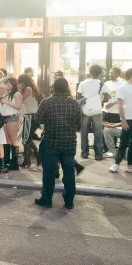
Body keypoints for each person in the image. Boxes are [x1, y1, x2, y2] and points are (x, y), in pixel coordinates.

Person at [34, 78, 81, 209]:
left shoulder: (47, 102)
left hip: (50, 141)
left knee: (48, 173)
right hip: (69, 142)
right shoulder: (75, 103)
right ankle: (69, 200)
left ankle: (47, 198)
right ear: (67, 88)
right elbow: (79, 125)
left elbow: (38, 118)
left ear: (53, 88)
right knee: (69, 172)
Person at [109, 68, 132, 175]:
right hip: (129, 119)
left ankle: (130, 166)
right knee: (124, 142)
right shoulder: (123, 88)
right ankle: (116, 164)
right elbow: (120, 105)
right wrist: (123, 120)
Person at [77, 65, 104, 160]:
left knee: (84, 132)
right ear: (100, 73)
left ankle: (84, 153)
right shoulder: (102, 83)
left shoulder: (83, 83)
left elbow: (79, 96)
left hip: (86, 109)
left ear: (90, 72)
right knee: (98, 133)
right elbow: (106, 97)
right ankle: (98, 154)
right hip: (97, 109)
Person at [0, 77, 23, 171]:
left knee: (13, 140)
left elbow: (18, 107)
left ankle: (14, 163)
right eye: (6, 83)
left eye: (10, 83)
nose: (7, 85)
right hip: (4, 118)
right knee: (6, 140)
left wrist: (6, 102)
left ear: (14, 84)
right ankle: (7, 161)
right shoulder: (5, 93)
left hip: (12, 117)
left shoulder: (17, 94)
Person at [18, 74, 42, 168]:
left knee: (25, 139)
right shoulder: (32, 88)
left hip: (30, 116)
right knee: (28, 138)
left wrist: (19, 90)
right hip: (32, 115)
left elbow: (21, 99)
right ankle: (38, 157)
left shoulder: (28, 88)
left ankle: (27, 161)